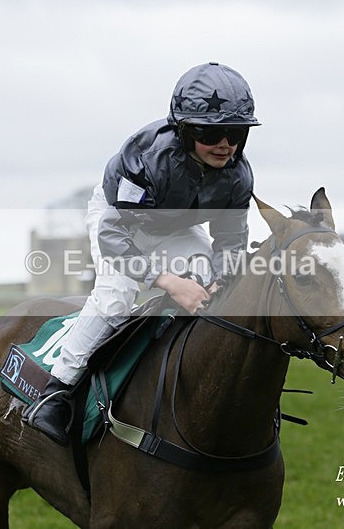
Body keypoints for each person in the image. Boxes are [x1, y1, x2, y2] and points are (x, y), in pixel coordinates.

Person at [34, 62, 260, 445]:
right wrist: (169, 282)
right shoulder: (145, 159)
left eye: (236, 133)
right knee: (117, 295)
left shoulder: (238, 174)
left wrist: (222, 275)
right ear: (186, 131)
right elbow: (114, 239)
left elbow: (230, 238)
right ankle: (56, 391)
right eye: (212, 132)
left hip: (173, 226)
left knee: (212, 281)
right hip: (119, 222)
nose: (226, 144)